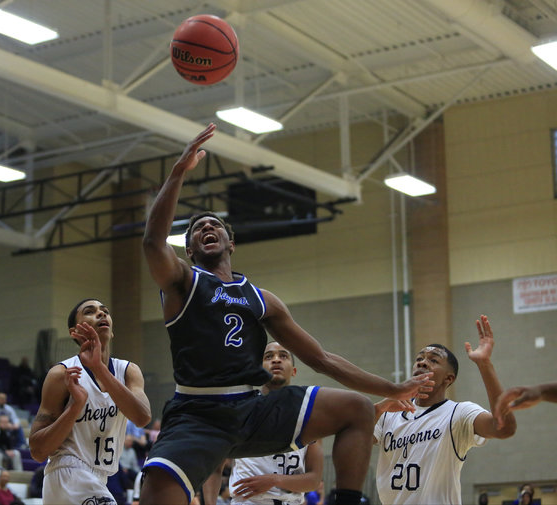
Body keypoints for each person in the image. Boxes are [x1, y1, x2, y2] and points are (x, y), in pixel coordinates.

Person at [140, 123, 434, 505]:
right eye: (197, 228)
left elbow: (321, 359)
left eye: (215, 225)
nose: (206, 227)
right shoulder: (182, 281)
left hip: (253, 407)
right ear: (191, 250)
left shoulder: (262, 300)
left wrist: (391, 389)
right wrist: (178, 172)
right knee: (154, 496)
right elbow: (152, 241)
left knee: (357, 408)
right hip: (197, 412)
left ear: (232, 242)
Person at [372, 315, 517, 505]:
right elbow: (359, 442)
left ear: (448, 379)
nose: (422, 362)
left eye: (433, 360)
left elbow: (504, 428)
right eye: (419, 359)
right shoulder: (390, 412)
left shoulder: (459, 414)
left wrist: (484, 365)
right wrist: (378, 409)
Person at [28, 298, 151, 505]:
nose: (101, 314)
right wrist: (76, 406)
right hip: (67, 472)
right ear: (74, 331)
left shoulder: (128, 371)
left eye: (105, 311)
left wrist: (99, 369)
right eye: (90, 311)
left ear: (111, 331)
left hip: (99, 478)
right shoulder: (62, 374)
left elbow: (142, 417)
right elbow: (38, 450)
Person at [227, 342, 323, 505]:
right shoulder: (241, 408)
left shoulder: (310, 414)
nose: (276, 360)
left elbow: (314, 480)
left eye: (283, 356)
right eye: (268, 356)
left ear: (293, 371)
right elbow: (215, 468)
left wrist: (274, 480)